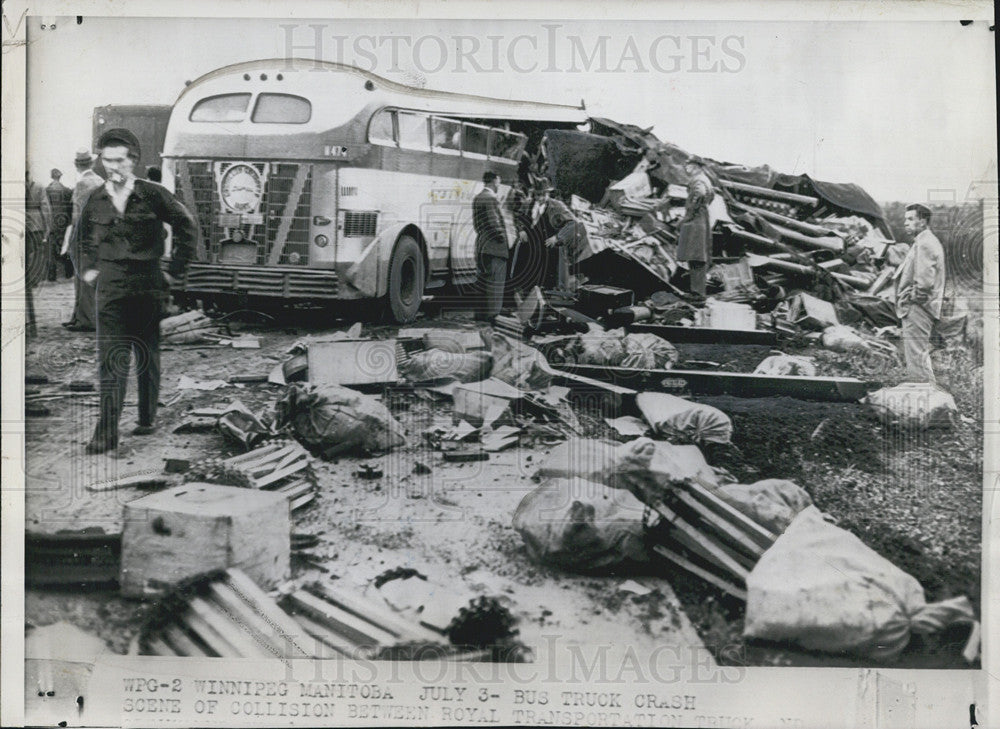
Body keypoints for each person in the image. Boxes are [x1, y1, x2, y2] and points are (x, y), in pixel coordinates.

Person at [78, 129, 199, 454]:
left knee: (147, 354)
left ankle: (147, 416)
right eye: (107, 160)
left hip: (148, 285)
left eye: (119, 160)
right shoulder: (96, 199)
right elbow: (82, 238)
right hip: (112, 288)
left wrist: (174, 271)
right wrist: (89, 270)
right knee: (111, 360)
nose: (113, 167)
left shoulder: (153, 194)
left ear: (132, 161)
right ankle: (106, 433)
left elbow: (187, 226)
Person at [893, 203, 946, 384]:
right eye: (905, 219)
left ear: (922, 221)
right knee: (920, 357)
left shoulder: (925, 243)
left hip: (918, 308)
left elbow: (924, 284)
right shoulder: (924, 241)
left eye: (910, 219)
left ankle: (925, 401)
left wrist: (910, 302)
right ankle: (928, 399)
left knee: (917, 358)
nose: (906, 223)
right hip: (920, 307)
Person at [62, 149, 105, 331]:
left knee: (81, 277)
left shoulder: (81, 183)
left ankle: (84, 320)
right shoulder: (101, 181)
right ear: (92, 163)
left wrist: (70, 239)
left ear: (76, 165)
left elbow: (77, 214)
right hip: (100, 234)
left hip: (83, 235)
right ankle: (81, 316)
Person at [676, 156, 716, 301]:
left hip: (696, 221)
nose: (687, 168)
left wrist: (690, 213)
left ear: (697, 166)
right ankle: (697, 292)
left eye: (689, 165)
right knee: (696, 257)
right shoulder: (706, 179)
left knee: (696, 257)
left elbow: (699, 193)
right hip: (701, 219)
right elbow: (711, 196)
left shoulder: (699, 180)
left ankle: (697, 294)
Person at [471, 170, 509, 323]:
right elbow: (494, 223)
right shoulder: (491, 198)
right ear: (494, 180)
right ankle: (492, 316)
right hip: (495, 248)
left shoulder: (478, 197)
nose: (499, 184)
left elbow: (477, 224)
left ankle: (479, 315)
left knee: (482, 283)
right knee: (495, 284)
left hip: (481, 245)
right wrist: (503, 238)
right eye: (499, 180)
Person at [45, 168, 74, 280]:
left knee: (52, 248)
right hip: (64, 221)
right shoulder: (66, 190)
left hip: (52, 221)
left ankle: (52, 276)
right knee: (65, 244)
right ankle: (69, 273)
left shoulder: (47, 190)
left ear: (52, 176)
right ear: (60, 176)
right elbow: (71, 207)